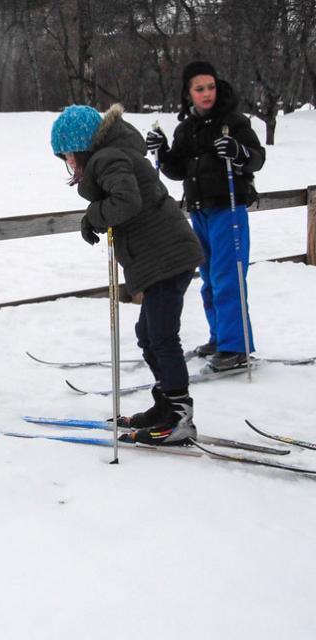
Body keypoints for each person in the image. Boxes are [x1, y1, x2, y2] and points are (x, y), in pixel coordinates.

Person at [50, 104, 205, 446]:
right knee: (148, 334)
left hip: (166, 257)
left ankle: (179, 417)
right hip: (162, 258)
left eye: (69, 155)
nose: (69, 163)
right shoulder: (113, 155)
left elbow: (126, 202)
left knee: (162, 336)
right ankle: (165, 404)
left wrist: (94, 215)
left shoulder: (107, 159)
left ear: (82, 147)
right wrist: (94, 215)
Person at [147, 61, 265, 371]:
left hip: (229, 208)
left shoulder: (233, 122)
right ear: (188, 94)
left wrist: (238, 152)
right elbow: (177, 170)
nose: (207, 93)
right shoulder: (187, 128)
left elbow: (256, 158)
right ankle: (220, 337)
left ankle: (236, 346)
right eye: (200, 89)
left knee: (229, 277)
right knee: (210, 278)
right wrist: (162, 151)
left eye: (210, 87)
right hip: (199, 210)